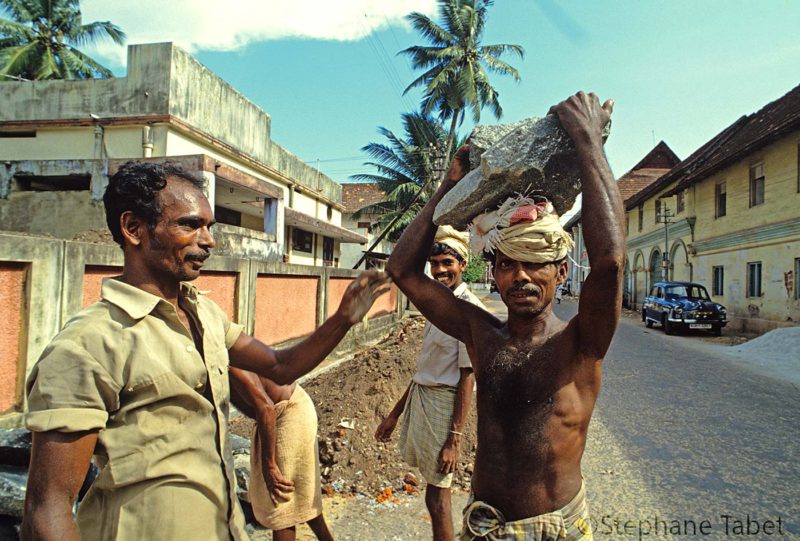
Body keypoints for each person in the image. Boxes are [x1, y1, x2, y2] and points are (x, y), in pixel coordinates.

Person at [21, 161, 390, 541]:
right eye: (189, 224)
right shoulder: (88, 344)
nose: (209, 240)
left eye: (209, 227)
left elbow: (280, 366)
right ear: (133, 229)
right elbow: (47, 509)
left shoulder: (205, 315)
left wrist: (343, 318)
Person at [386, 92, 624, 540]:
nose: (521, 276)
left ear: (561, 271)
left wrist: (589, 141)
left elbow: (610, 262)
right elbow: (400, 269)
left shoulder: (583, 343)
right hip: (484, 525)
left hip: (554, 528)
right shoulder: (481, 332)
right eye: (508, 264)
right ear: (492, 273)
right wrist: (448, 188)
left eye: (535, 262)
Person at [375, 226, 486, 541]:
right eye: (435, 263)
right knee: (432, 494)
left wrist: (454, 439)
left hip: (445, 407)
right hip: (424, 398)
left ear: (462, 265)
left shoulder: (468, 308)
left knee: (438, 498)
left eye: (447, 263)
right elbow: (425, 367)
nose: (440, 270)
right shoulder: (437, 303)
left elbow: (467, 375)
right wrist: (394, 415)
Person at [230, 369, 333, 541]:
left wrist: (269, 465)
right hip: (273, 414)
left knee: (280, 501)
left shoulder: (231, 362)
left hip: (289, 412)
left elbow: (266, 409)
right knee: (298, 495)